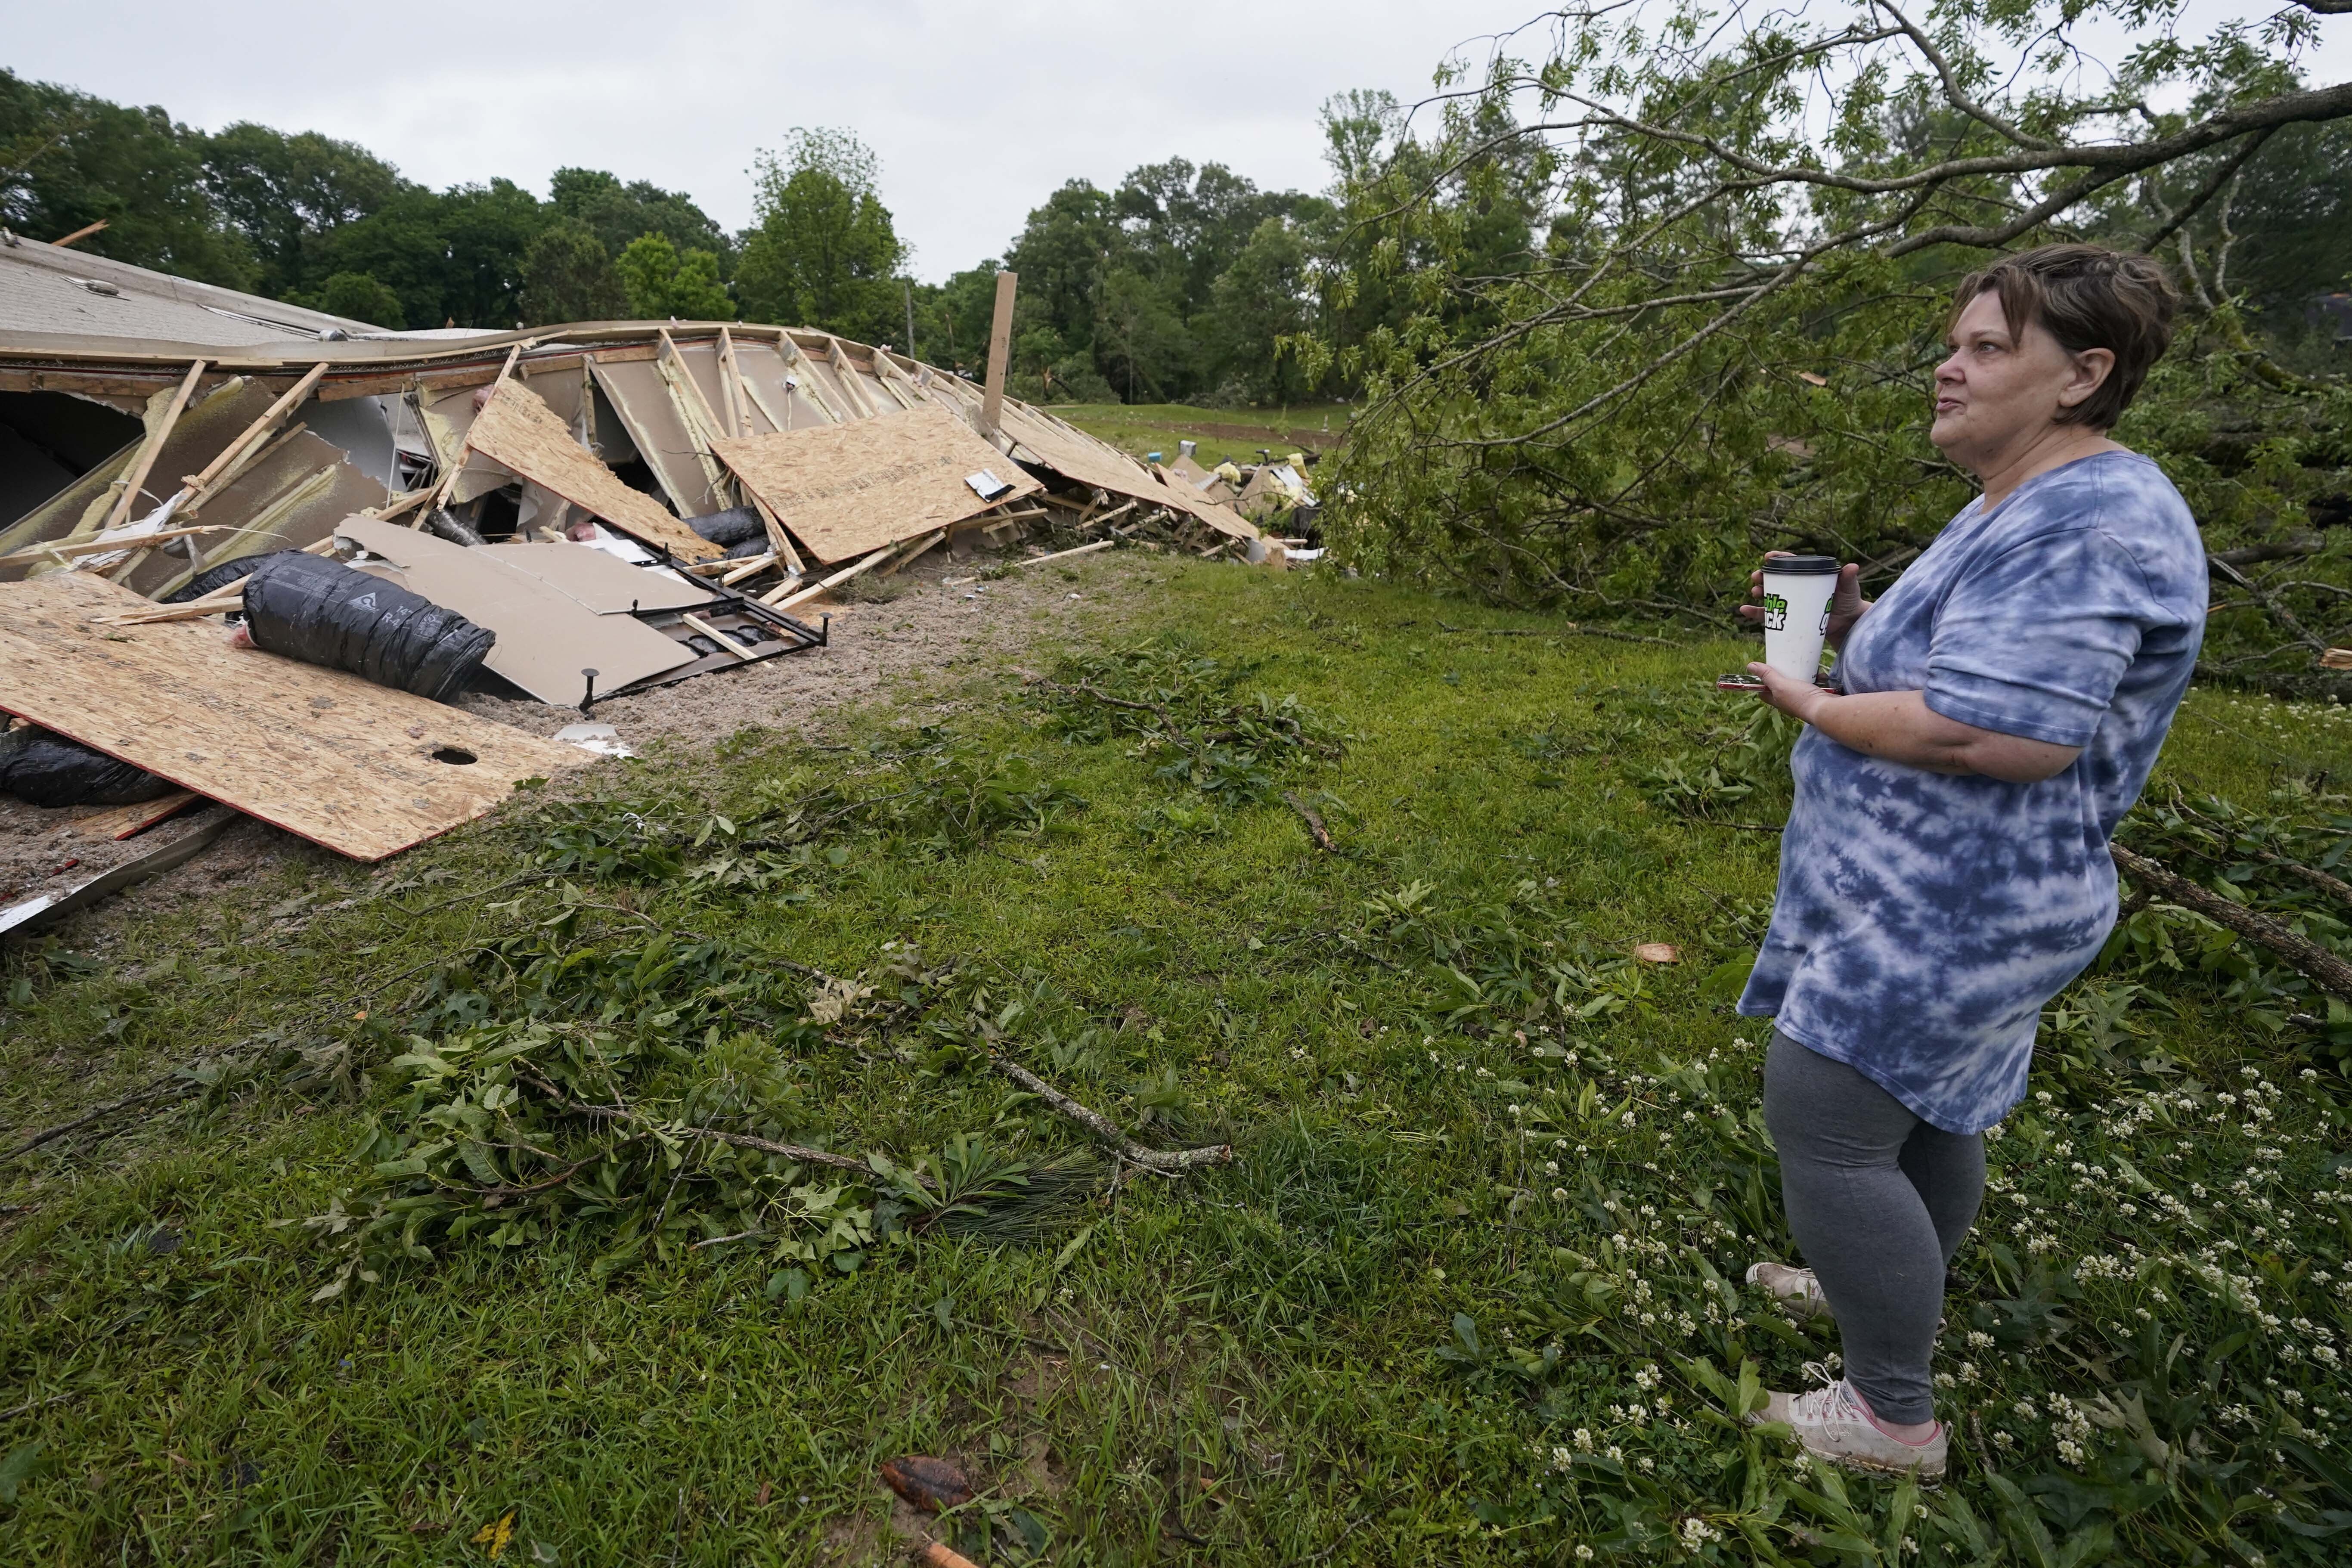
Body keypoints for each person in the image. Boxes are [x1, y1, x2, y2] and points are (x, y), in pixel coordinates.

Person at [1729, 245, 2206, 1481]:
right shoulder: (2026, 493)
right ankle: (1871, 1282)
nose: (1951, 364)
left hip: (1958, 906)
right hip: (1938, 896)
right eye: (1957, 341)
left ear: (2082, 373)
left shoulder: (2093, 516)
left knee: (1826, 1116)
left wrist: (1817, 705)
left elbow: (2001, 730)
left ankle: (1893, 1414)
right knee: (1930, 1114)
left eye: (1990, 347)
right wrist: (1852, 626)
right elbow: (1975, 660)